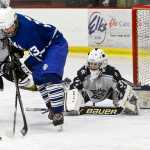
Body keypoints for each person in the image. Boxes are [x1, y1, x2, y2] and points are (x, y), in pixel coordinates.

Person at [0, 7, 68, 126]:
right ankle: (51, 107)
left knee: (49, 74)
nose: (8, 30)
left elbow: (39, 55)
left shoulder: (27, 31)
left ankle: (58, 112)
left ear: (15, 21)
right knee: (39, 78)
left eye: (9, 27)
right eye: (4, 29)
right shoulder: (10, 20)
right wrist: (16, 51)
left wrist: (24, 66)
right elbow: (15, 41)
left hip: (54, 44)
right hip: (40, 47)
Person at [67, 48, 139, 115]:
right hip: (89, 94)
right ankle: (71, 105)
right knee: (75, 85)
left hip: (108, 92)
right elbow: (75, 86)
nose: (92, 66)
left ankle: (130, 104)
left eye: (95, 64)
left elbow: (122, 85)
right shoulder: (83, 72)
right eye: (90, 63)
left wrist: (119, 100)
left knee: (122, 86)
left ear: (102, 64)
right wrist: (75, 103)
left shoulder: (112, 72)